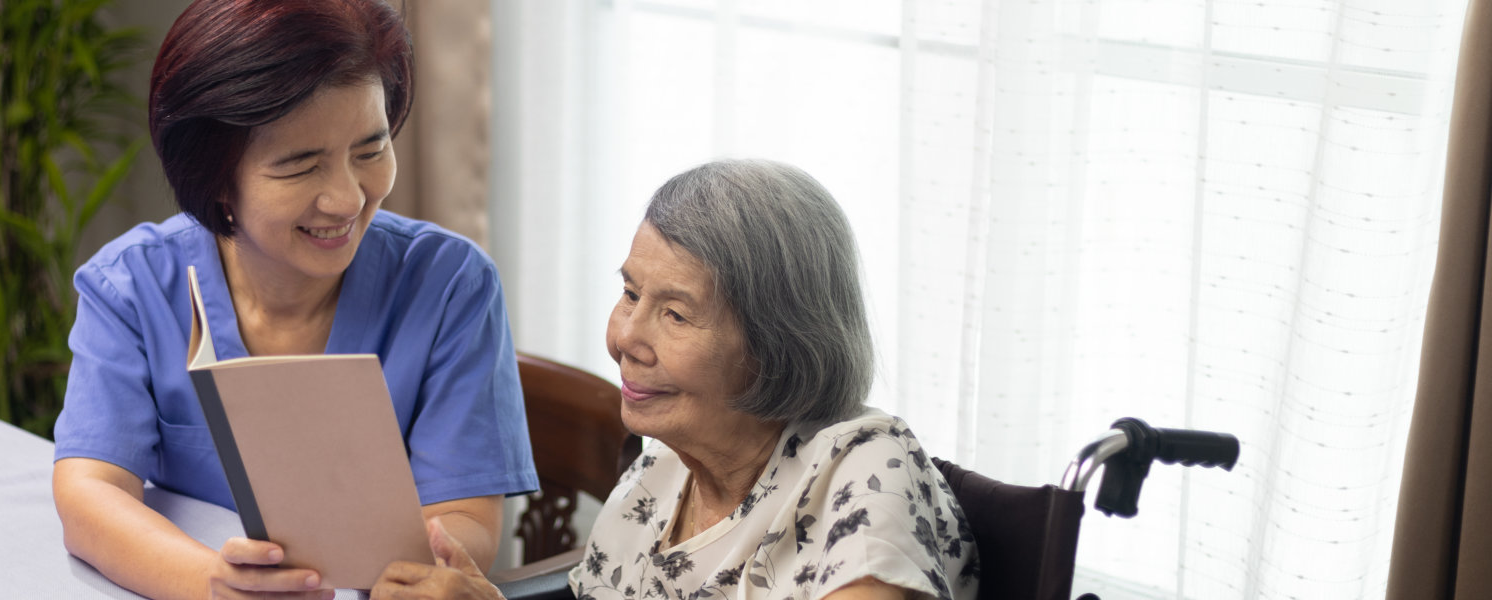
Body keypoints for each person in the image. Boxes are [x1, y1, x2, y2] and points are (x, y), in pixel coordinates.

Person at [50, 2, 538, 599]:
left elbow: (464, 518)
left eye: (370, 150)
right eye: (301, 166)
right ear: (216, 179)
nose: (345, 198)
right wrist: (213, 587)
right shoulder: (131, 285)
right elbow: (90, 494)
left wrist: (429, 576)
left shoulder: (449, 285)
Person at [374, 160, 979, 600]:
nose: (625, 339)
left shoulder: (864, 468)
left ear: (776, 342)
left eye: (675, 314)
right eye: (630, 293)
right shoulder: (657, 476)